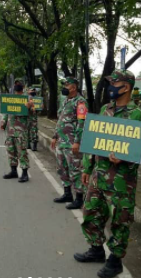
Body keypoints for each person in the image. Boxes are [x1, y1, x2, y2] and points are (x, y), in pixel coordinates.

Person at [74, 70, 141, 278]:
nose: (110, 86)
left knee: (120, 220)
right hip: (98, 176)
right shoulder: (104, 110)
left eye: (114, 82)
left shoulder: (139, 115)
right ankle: (96, 250)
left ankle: (115, 260)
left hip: (121, 182)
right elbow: (93, 141)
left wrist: (125, 156)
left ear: (125, 86)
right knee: (90, 212)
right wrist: (87, 167)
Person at [51, 77, 89, 210]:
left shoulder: (81, 102)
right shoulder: (65, 100)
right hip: (61, 141)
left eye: (66, 85)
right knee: (62, 168)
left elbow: (82, 123)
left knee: (75, 170)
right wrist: (55, 136)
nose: (64, 87)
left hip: (72, 142)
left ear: (73, 87)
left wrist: (77, 142)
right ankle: (67, 194)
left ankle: (79, 197)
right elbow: (60, 120)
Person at [0, 79, 34, 183]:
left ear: (23, 86)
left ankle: (24, 173)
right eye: (15, 84)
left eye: (19, 84)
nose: (17, 86)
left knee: (22, 151)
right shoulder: (10, 98)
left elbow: (34, 113)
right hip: (10, 129)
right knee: (11, 150)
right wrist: (3, 122)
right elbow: (6, 111)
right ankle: (13, 171)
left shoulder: (28, 98)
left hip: (21, 130)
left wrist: (30, 107)